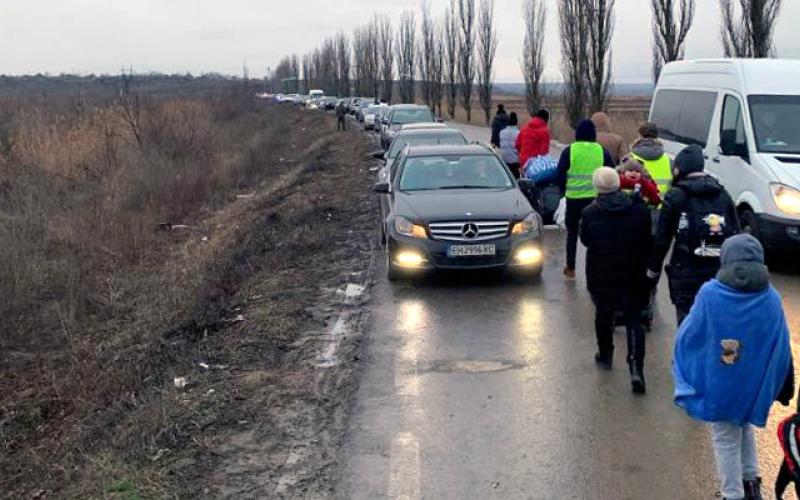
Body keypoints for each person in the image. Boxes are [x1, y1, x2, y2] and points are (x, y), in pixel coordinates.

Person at [673, 234, 793, 500]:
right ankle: (751, 484)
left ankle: (732, 494)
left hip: (721, 381)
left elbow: (689, 334)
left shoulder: (710, 294)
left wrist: (689, 365)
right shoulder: (770, 298)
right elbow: (781, 346)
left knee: (725, 437)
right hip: (753, 383)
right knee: (744, 425)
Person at [647, 144, 740, 325]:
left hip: (685, 271)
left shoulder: (675, 196)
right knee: (714, 323)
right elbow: (736, 234)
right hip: (717, 272)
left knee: (687, 324)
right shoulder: (723, 194)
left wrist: (653, 269)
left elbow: (662, 239)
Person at [580, 167, 652, 393]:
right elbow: (647, 237)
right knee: (634, 319)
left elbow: (586, 240)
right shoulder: (638, 209)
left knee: (603, 314)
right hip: (634, 272)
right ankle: (636, 368)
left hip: (602, 273)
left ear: (596, 187)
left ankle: (606, 354)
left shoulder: (590, 213)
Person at [557, 119, 615, 279]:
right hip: (596, 199)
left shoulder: (569, 151)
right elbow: (611, 172)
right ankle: (598, 266)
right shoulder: (601, 151)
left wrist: (563, 191)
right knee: (597, 233)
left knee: (572, 233)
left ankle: (570, 267)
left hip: (574, 199)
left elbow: (560, 174)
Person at [630, 122, 673, 199]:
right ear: (657, 137)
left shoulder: (631, 158)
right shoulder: (668, 160)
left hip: (637, 202)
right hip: (661, 203)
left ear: (639, 136)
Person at [499, 112, 521, 178]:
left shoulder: (502, 132)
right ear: (516, 121)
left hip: (505, 160)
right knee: (516, 179)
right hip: (516, 162)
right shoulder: (519, 133)